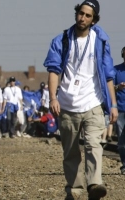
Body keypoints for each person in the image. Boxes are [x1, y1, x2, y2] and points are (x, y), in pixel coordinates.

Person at [44, 1, 118, 199]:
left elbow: (108, 75)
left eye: (87, 16)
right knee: (71, 152)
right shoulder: (61, 41)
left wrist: (113, 104)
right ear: (76, 13)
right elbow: (53, 71)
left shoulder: (100, 40)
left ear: (94, 20)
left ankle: (94, 184)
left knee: (94, 144)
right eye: (80, 13)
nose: (82, 18)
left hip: (93, 102)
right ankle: (75, 191)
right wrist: (53, 98)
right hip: (67, 105)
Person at [114, 46, 125, 175]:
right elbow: (110, 89)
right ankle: (124, 165)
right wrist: (118, 87)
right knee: (122, 143)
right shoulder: (116, 70)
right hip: (121, 110)